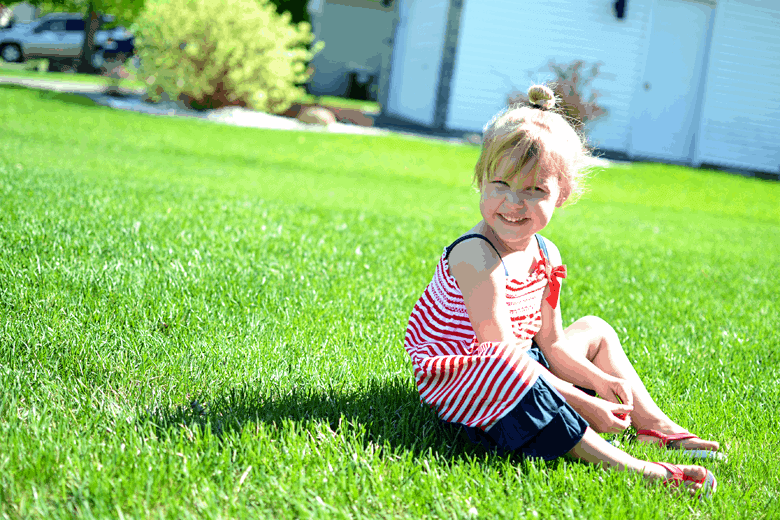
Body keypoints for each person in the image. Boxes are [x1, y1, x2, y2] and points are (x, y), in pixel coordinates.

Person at [403, 85, 718, 496]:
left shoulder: (546, 254)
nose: (513, 203)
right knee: (510, 366)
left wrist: (597, 381)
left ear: (562, 195)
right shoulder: (475, 256)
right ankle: (637, 469)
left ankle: (653, 426)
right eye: (500, 184)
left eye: (535, 190)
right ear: (480, 180)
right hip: (463, 377)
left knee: (594, 329)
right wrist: (582, 402)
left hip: (516, 361)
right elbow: (498, 353)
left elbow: (550, 342)